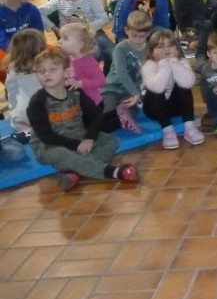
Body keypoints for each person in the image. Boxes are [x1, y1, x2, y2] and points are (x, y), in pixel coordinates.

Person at [27, 49, 139, 191]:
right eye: (41, 71)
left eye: (52, 69)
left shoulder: (74, 91)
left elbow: (96, 115)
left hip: (76, 134)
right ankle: (114, 172)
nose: (46, 74)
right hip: (49, 145)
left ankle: (74, 172)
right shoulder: (37, 102)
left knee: (111, 141)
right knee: (63, 154)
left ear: (66, 72)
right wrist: (76, 145)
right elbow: (46, 136)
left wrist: (90, 138)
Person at [39, 0, 114, 75]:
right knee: (93, 54)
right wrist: (54, 28)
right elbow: (39, 12)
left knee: (112, 51)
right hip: (69, 38)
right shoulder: (59, 0)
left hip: (92, 33)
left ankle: (106, 78)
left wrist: (88, 28)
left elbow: (103, 18)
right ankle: (83, 77)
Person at [141, 29, 203, 149]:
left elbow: (189, 83)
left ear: (177, 48)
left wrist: (174, 62)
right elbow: (158, 88)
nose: (166, 49)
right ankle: (168, 130)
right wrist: (163, 64)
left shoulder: (181, 61)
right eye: (160, 46)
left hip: (175, 108)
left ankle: (189, 127)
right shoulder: (149, 65)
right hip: (154, 109)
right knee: (156, 89)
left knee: (183, 83)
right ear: (152, 52)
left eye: (170, 45)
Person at [102, 10, 149, 134]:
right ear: (126, 31)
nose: (137, 40)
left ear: (148, 33)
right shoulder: (121, 48)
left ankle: (122, 118)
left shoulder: (149, 49)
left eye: (141, 36)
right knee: (106, 111)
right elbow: (122, 73)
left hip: (130, 91)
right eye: (134, 35)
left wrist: (139, 95)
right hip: (112, 87)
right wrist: (136, 94)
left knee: (131, 110)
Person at [0, 0, 43, 78]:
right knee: (8, 68)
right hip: (7, 49)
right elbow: (1, 38)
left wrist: (32, 49)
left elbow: (39, 33)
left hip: (30, 47)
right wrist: (17, 51)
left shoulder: (32, 9)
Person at [3, 28, 46, 134]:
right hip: (47, 112)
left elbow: (12, 95)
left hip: (25, 114)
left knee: (17, 116)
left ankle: (27, 129)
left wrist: (13, 109)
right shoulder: (47, 66)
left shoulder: (13, 69)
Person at [59, 23, 104, 108]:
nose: (60, 41)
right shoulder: (70, 58)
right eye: (61, 37)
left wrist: (81, 83)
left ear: (80, 45)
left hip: (93, 104)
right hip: (78, 101)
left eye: (65, 38)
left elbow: (101, 80)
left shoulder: (88, 62)